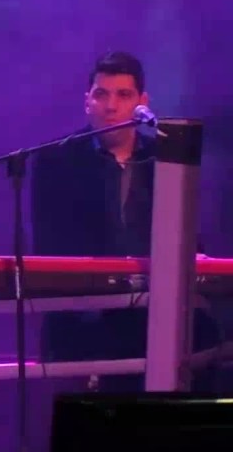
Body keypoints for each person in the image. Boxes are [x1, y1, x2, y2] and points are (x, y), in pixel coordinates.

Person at [30, 51, 219, 390]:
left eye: (123, 95)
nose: (110, 106)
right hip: (83, 320)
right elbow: (49, 248)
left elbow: (190, 241)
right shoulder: (54, 161)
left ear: (142, 103)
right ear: (86, 101)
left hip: (156, 322)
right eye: (101, 94)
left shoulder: (166, 158)